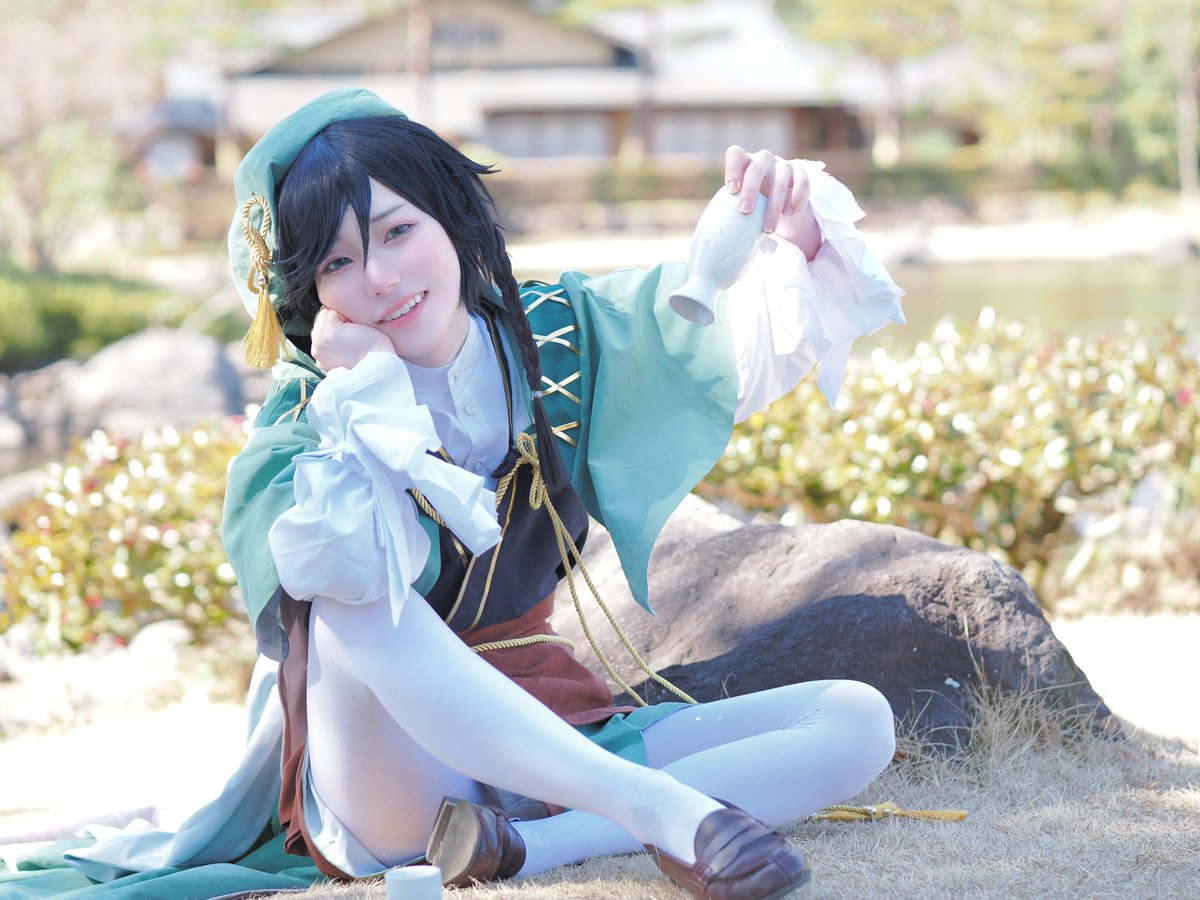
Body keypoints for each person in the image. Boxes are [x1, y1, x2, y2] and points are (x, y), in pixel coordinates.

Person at [221, 87, 904, 900]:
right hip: (398, 777)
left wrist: (793, 229)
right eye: (336, 263)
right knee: (348, 600)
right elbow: (341, 580)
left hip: (557, 725)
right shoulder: (307, 428)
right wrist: (369, 391)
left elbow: (725, 353)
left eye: (398, 231)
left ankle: (526, 848)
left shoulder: (557, 337)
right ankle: (662, 812)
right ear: (308, 293)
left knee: (856, 719)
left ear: (452, 216)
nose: (379, 277)